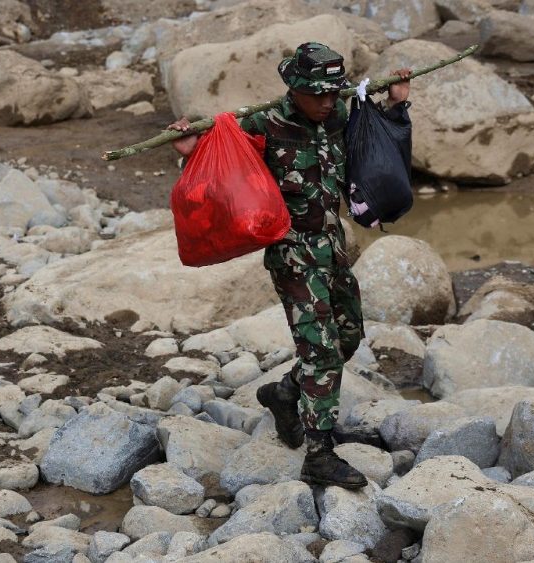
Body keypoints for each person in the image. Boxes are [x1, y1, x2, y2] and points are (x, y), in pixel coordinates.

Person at [169, 43, 412, 490]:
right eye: (316, 94)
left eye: (332, 93)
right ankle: (319, 453)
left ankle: (284, 395)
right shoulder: (263, 125)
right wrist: (190, 152)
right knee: (320, 350)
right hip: (292, 254)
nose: (326, 102)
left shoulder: (339, 115)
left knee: (348, 337)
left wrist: (395, 106)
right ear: (294, 88)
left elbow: (375, 142)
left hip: (333, 247)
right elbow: (217, 176)